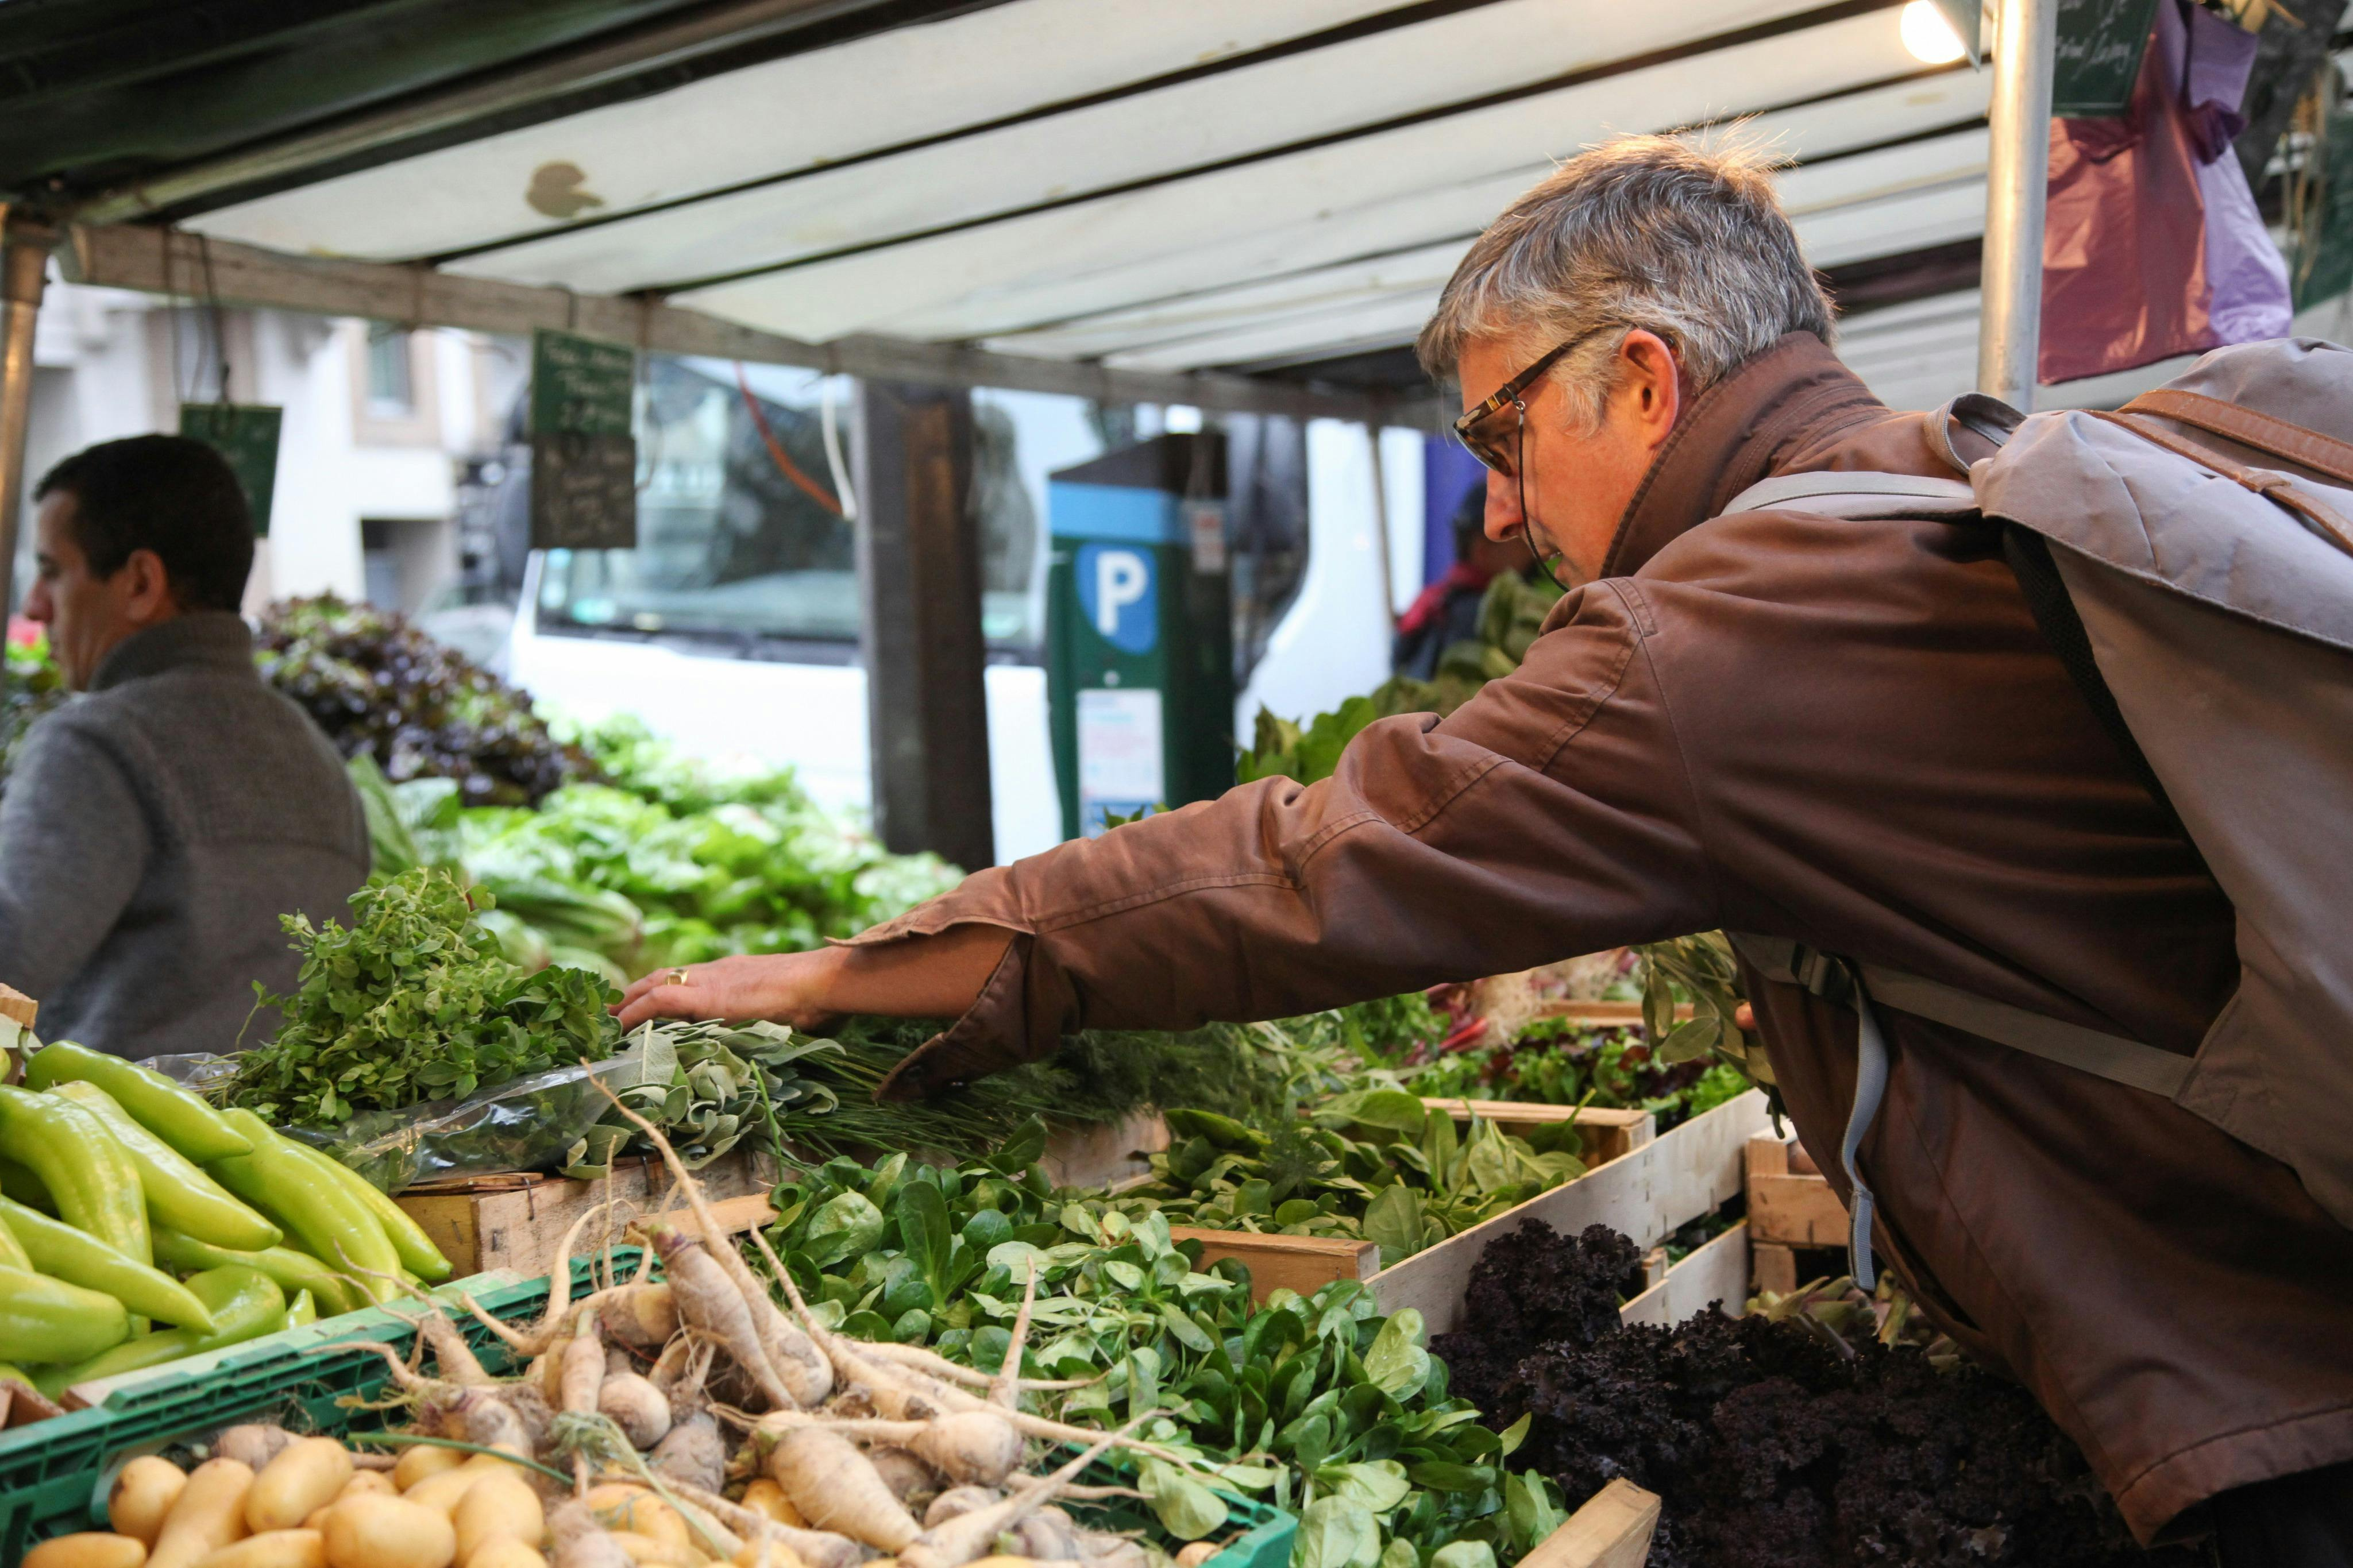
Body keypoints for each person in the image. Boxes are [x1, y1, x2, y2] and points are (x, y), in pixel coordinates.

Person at [618, 138, 2353, 1560]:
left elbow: (1329, 858)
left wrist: (917, 961)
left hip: (2265, 1405)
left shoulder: (1737, 623)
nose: (1500, 509)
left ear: (1643, 376)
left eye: (1501, 433)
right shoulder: (1931, 478)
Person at [0, 434, 369, 1058]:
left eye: (54, 571)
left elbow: (8, 959)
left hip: (126, 1151)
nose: (35, 606)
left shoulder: (97, 744)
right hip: (294, 1148)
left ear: (141, 582)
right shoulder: (316, 756)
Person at [1391, 482, 1530, 679]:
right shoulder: (1481, 612)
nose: (1532, 550)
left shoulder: (1434, 599)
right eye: (1518, 540)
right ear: (1482, 549)